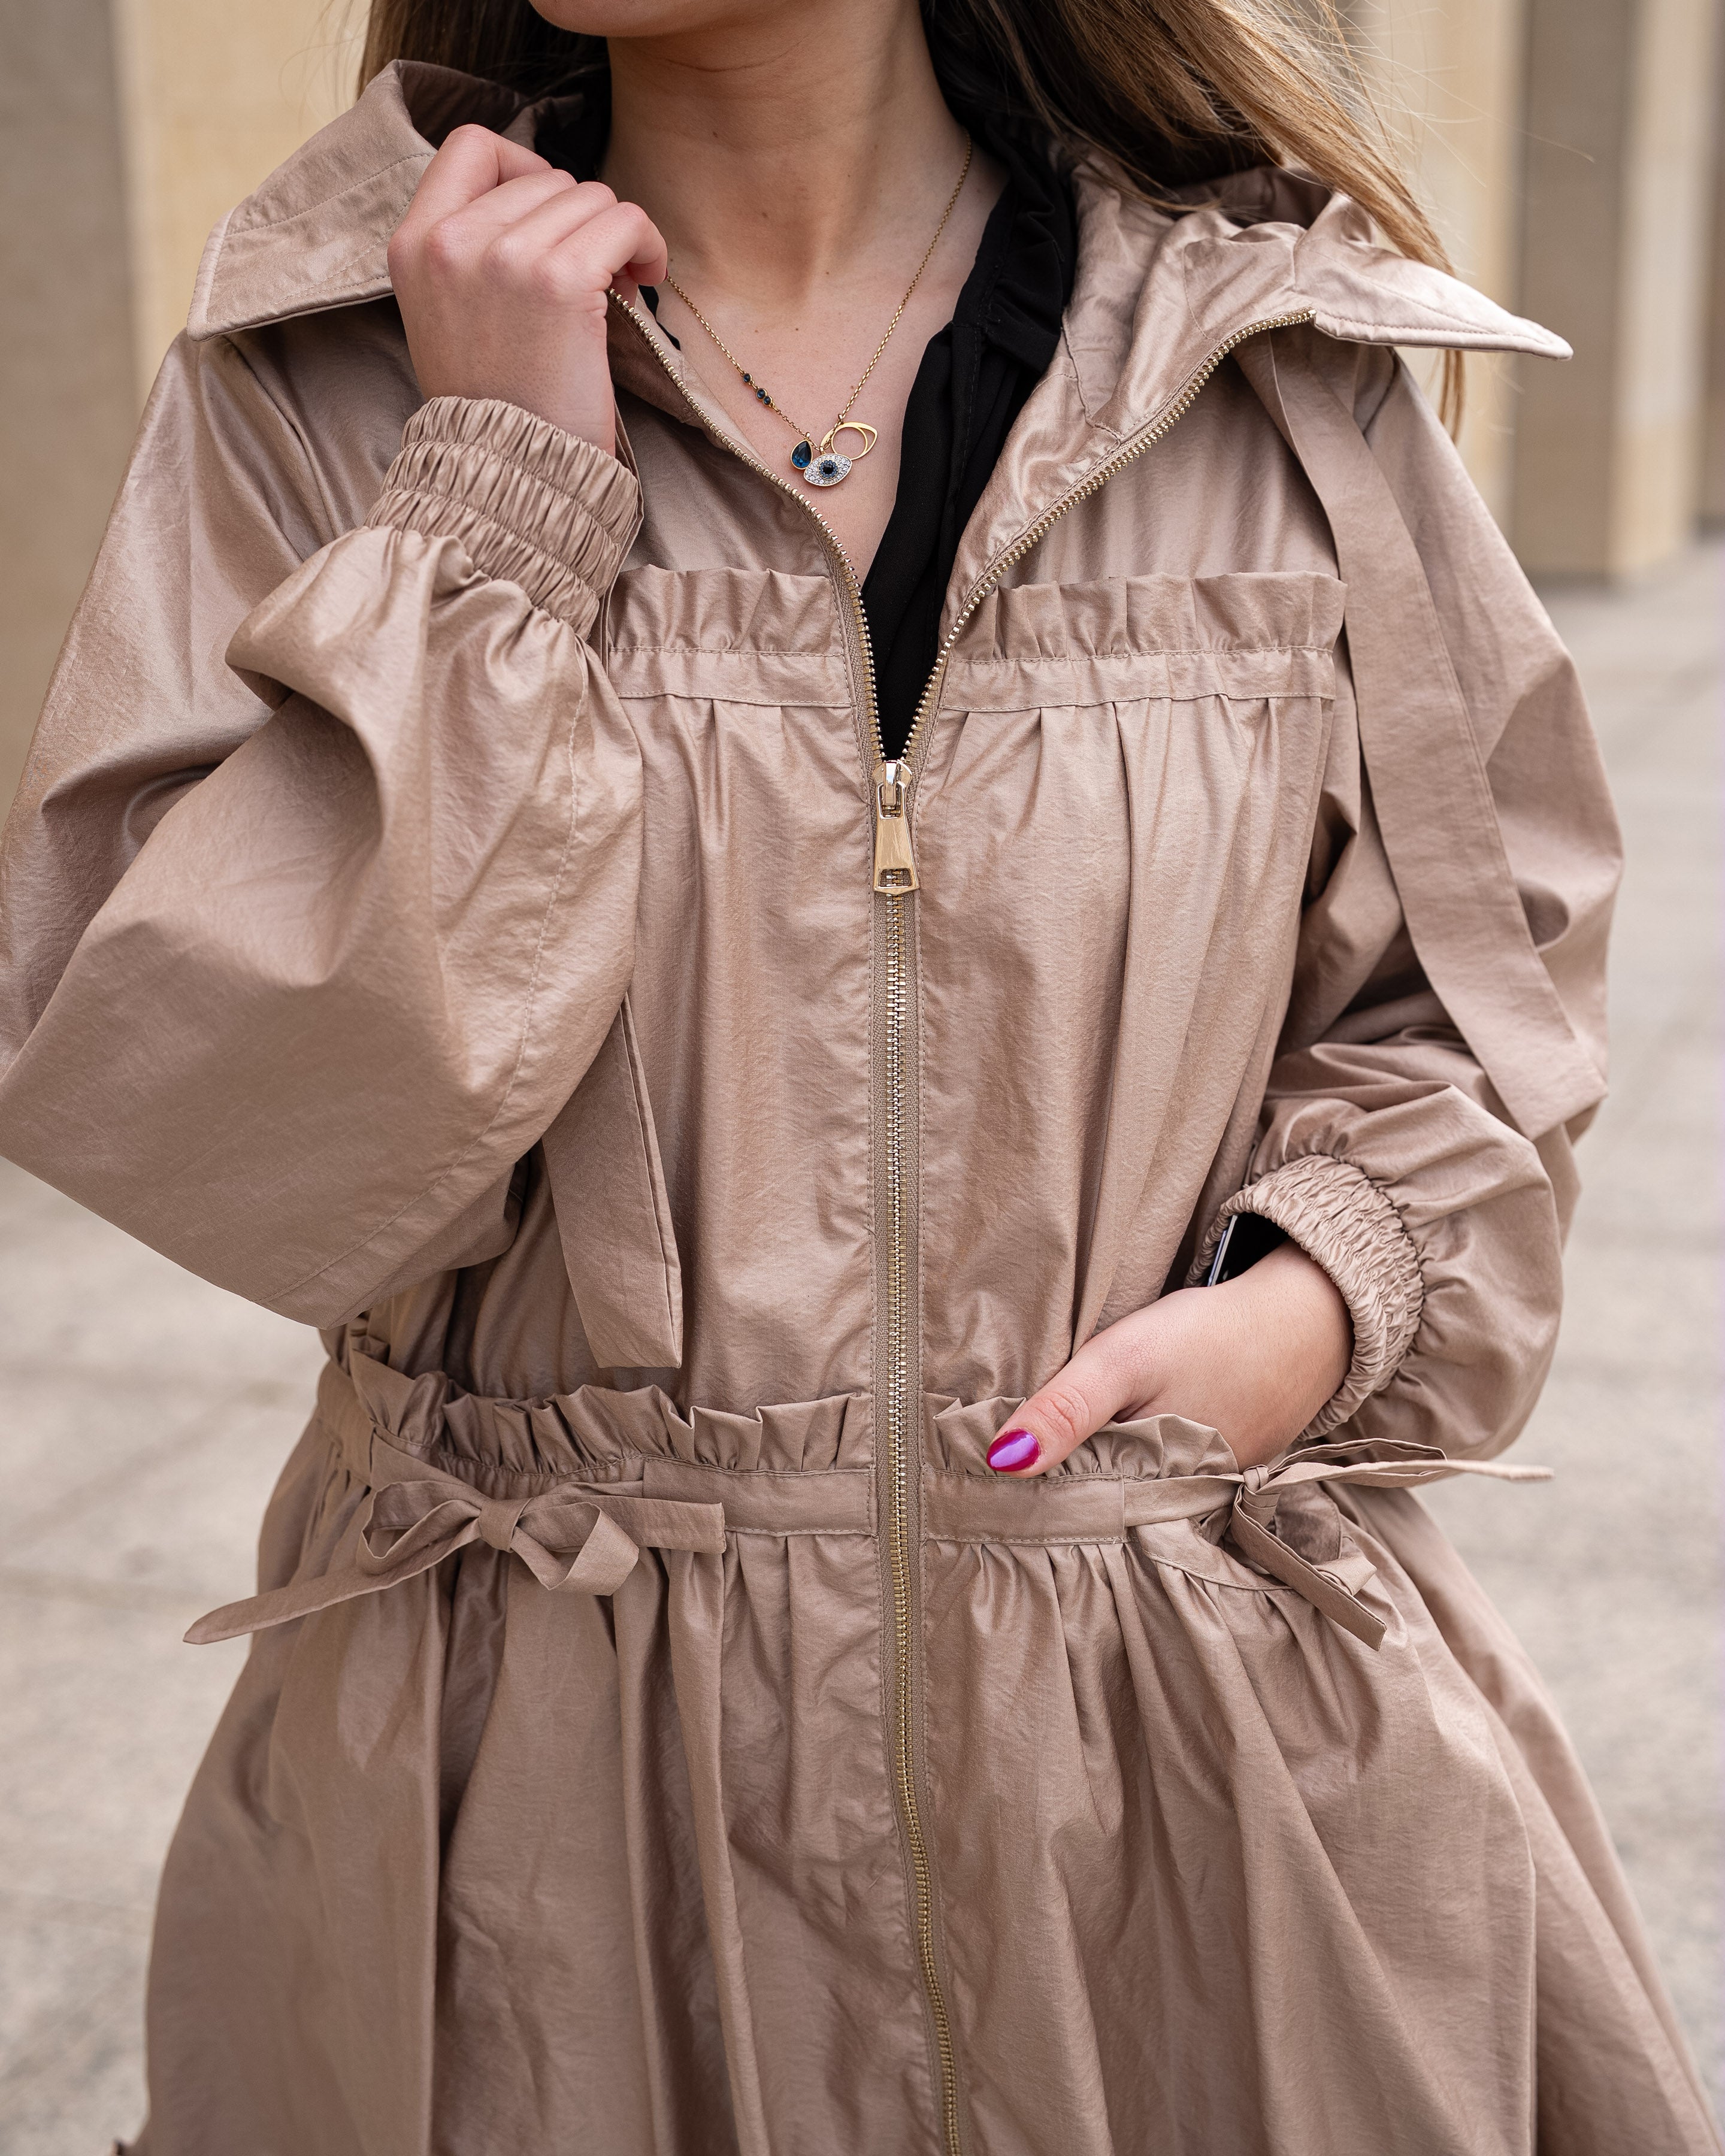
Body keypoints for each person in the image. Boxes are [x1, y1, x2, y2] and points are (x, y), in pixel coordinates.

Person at [0, 0, 1716, 2148]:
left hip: (1187, 1782)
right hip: (541, 1834)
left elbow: (1482, 994)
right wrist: (496, 510)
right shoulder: (331, 373)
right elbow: (231, 1120)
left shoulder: (1273, 367)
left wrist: (1320, 1297)